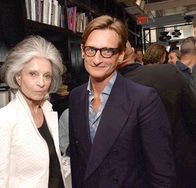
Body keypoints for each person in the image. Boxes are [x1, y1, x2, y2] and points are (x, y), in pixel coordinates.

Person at [69, 15, 176, 188]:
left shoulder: (143, 99)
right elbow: (79, 164)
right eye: (91, 50)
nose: (97, 59)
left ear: (120, 56)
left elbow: (162, 173)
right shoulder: (76, 97)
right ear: (82, 51)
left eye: (107, 51)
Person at [0, 35, 67, 188]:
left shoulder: (48, 111)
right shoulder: (4, 120)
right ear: (18, 76)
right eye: (33, 74)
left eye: (47, 76)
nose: (41, 83)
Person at [118, 41, 196, 188]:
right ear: (132, 52)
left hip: (138, 174)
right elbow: (192, 116)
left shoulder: (106, 91)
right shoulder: (168, 72)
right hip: (181, 165)